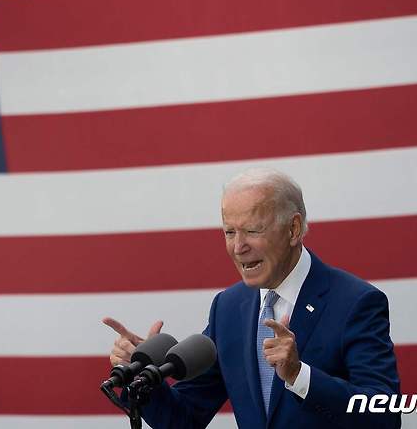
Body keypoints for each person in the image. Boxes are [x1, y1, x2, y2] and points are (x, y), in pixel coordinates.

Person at [103, 168, 401, 429]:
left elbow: (384, 416)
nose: (238, 246)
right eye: (229, 232)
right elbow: (184, 419)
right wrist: (144, 378)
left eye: (252, 230)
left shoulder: (356, 302)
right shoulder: (229, 308)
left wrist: (300, 376)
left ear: (293, 229)